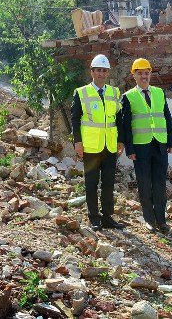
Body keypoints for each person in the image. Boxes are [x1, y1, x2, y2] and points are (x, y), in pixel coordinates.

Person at [118, 57, 172, 233]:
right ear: (133, 76)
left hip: (160, 144)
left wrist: (171, 141)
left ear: (150, 74)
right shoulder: (128, 97)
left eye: (146, 73)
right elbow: (125, 125)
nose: (144, 76)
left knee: (159, 183)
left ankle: (161, 220)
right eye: (140, 73)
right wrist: (130, 149)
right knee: (144, 183)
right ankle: (149, 220)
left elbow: (167, 117)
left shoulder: (159, 92)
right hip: (140, 147)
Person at [69, 53, 124, 230]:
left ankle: (107, 217)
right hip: (91, 146)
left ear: (107, 73)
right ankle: (94, 217)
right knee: (91, 183)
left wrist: (121, 141)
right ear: (91, 72)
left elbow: (119, 118)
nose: (101, 74)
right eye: (98, 70)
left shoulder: (114, 92)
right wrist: (77, 143)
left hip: (110, 146)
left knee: (108, 183)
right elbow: (75, 119)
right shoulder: (81, 93)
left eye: (104, 71)